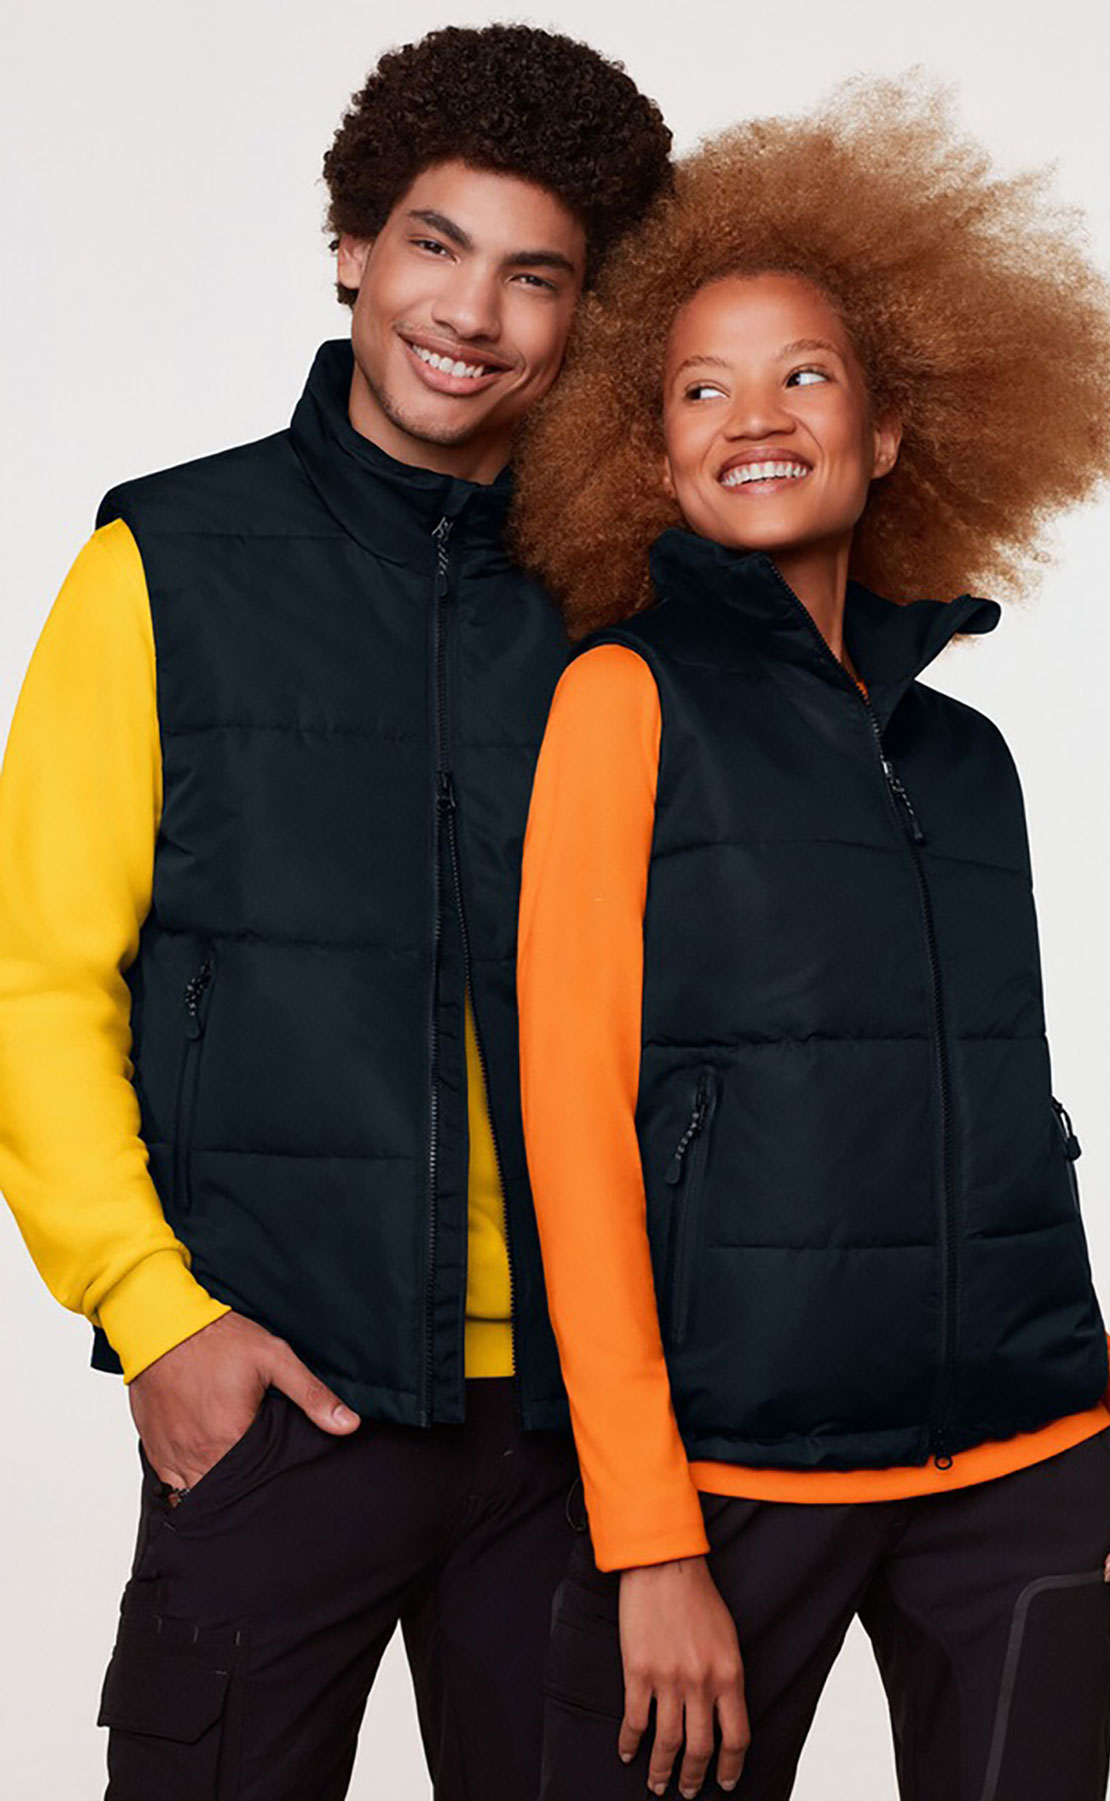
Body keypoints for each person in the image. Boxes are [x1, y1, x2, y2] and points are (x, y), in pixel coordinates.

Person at [0, 24, 670, 1799]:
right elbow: (35, 980)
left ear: (587, 315)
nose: (473, 312)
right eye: (437, 245)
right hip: (280, 1392)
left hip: (574, 1428)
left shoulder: (620, 604)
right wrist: (157, 1313)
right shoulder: (165, 565)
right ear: (356, 245)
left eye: (537, 275)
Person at [513, 77, 1110, 1801]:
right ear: (651, 448)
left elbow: (997, 1123)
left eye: (804, 375)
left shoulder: (966, 759)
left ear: (888, 429)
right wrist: (646, 1531)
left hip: (1025, 1466)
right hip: (740, 1476)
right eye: (702, 387)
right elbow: (573, 1127)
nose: (755, 416)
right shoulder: (624, 699)